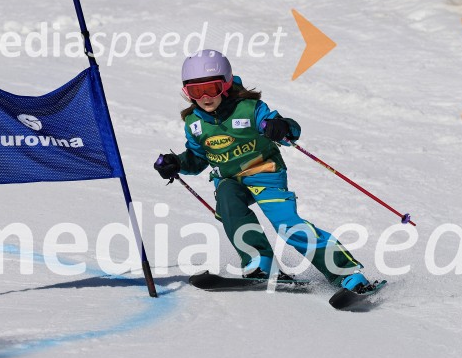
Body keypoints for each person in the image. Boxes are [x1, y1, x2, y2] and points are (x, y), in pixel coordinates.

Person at [154, 49, 371, 291]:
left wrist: (279, 127)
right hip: (229, 179)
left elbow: (290, 128)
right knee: (228, 203)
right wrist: (178, 163)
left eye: (212, 88)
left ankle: (346, 273)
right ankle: (259, 261)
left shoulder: (249, 109)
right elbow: (197, 158)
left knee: (287, 226)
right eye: (195, 91)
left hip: (265, 173)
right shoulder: (193, 123)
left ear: (225, 85)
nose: (204, 97)